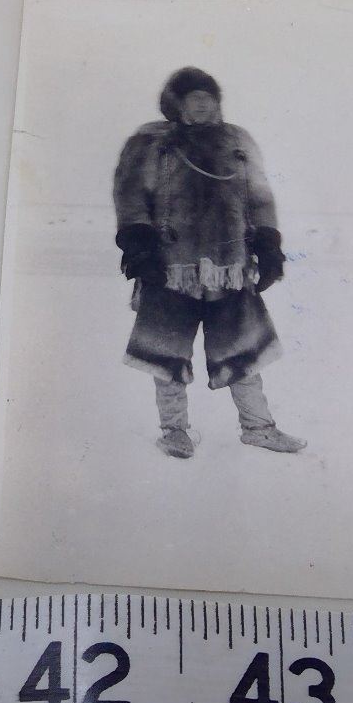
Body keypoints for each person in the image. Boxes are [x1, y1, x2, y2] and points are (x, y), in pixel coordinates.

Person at [112, 67, 305, 459]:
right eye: (192, 97)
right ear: (176, 103)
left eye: (207, 97)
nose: (201, 104)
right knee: (167, 357)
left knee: (244, 352)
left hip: (229, 269)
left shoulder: (237, 141)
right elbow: (130, 198)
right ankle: (174, 432)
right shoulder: (151, 142)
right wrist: (139, 249)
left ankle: (258, 428)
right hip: (171, 269)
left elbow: (260, 196)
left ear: (217, 102)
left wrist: (268, 246)